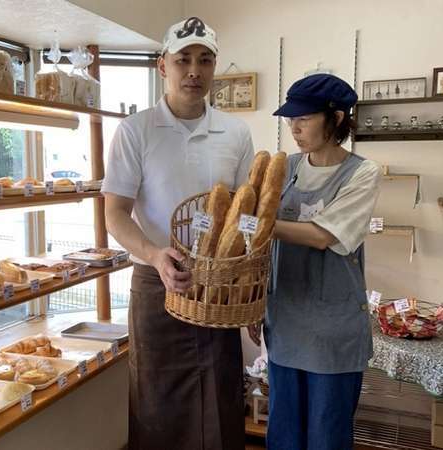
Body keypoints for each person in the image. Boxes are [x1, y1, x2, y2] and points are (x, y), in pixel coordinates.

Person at [102, 16, 255, 450]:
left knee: (221, 397)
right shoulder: (136, 131)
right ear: (162, 66)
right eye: (183, 59)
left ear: (214, 67)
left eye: (205, 60)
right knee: (157, 402)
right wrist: (153, 255)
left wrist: (247, 279)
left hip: (217, 287)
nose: (194, 70)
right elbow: (114, 214)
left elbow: (247, 213)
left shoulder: (235, 131)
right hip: (156, 285)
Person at [248, 73, 382, 450]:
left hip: (333, 331)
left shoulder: (361, 174)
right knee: (284, 434)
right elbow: (259, 249)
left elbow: (324, 236)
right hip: (286, 320)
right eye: (291, 119)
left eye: (304, 118)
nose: (294, 127)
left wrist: (263, 225)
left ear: (336, 118)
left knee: (327, 436)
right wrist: (256, 305)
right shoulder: (283, 169)